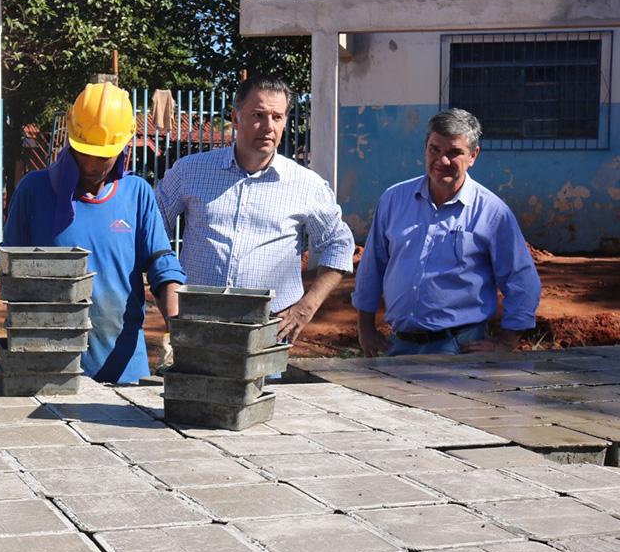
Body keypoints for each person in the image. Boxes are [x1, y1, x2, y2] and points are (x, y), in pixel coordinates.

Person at [3, 82, 185, 384]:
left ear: (124, 145)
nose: (91, 164)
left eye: (104, 156)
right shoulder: (33, 192)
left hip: (125, 367)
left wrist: (179, 329)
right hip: (49, 368)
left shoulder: (137, 194)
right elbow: (13, 277)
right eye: (84, 152)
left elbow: (162, 265)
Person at [154, 75, 355, 343]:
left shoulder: (307, 185)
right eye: (258, 115)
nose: (268, 126)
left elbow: (340, 244)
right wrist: (169, 294)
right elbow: (151, 231)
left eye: (277, 117)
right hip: (196, 325)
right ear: (236, 118)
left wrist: (305, 309)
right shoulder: (190, 171)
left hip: (267, 332)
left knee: (261, 386)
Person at [352, 108, 541, 357]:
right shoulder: (394, 200)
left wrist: (506, 343)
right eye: (435, 149)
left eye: (454, 153)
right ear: (425, 148)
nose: (442, 161)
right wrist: (365, 328)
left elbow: (523, 281)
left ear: (473, 156)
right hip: (399, 346)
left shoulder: (492, 212)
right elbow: (372, 267)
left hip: (459, 349)